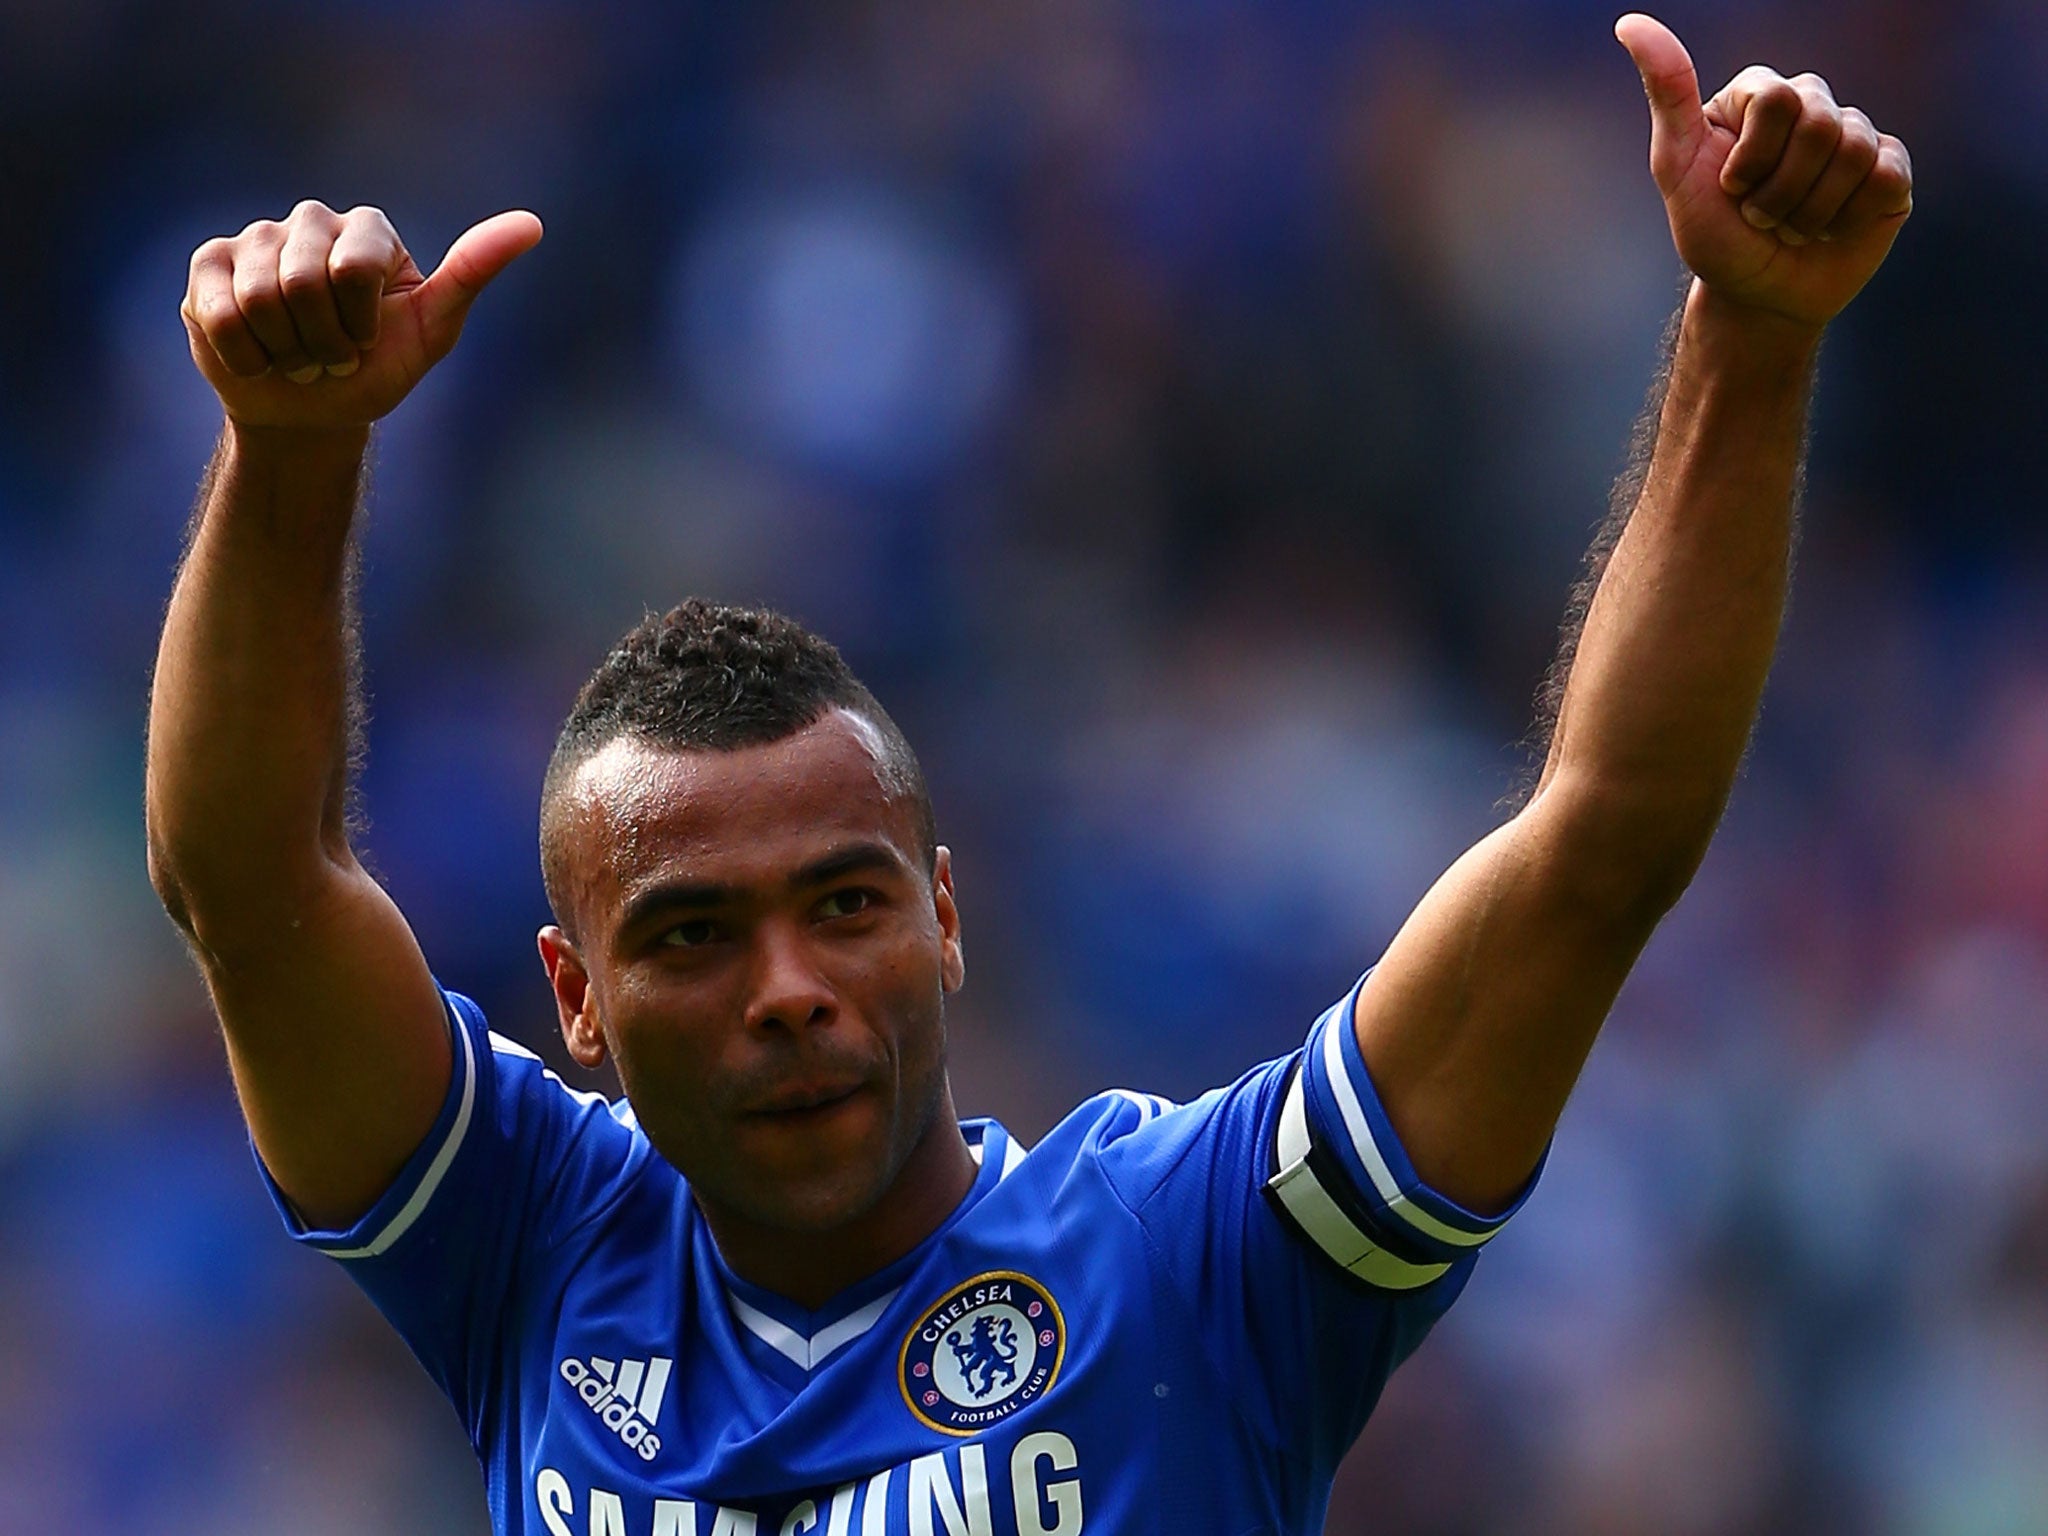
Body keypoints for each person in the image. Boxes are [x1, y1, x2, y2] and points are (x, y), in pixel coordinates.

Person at [145, 15, 1912, 1535]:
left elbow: (1598, 841)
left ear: (944, 917)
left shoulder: (1195, 1258)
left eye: (845, 906)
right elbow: (250, 889)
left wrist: (1748, 340)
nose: (790, 994)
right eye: (689, 938)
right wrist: (289, 453)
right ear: (576, 1002)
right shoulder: (527, 1248)